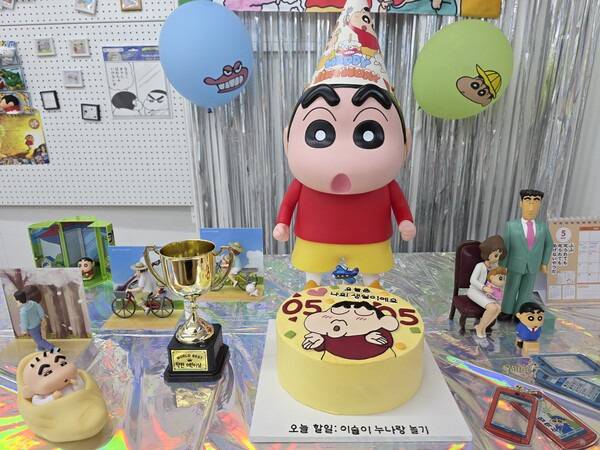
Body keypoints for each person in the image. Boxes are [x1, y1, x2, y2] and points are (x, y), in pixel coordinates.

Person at [273, 0, 415, 290]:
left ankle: (372, 284)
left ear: (406, 143)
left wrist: (405, 221)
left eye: (369, 133)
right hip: (315, 237)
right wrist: (282, 223)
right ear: (287, 139)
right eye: (320, 132)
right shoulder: (303, 183)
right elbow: (289, 202)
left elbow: (399, 204)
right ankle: (312, 283)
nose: (343, 156)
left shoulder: (385, 185)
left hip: (370, 238)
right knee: (313, 264)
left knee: (372, 265)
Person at [499, 189, 553, 320]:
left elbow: (549, 244)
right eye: (528, 201)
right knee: (511, 288)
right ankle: (506, 311)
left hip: (533, 265)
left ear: (540, 205)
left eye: (536, 202)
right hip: (514, 264)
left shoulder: (543, 227)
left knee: (526, 291)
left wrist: (544, 262)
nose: (531, 207)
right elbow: (506, 246)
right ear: (521, 203)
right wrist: (502, 265)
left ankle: (521, 312)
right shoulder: (511, 226)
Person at [466, 235, 506, 338]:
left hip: (488, 293)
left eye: (499, 255)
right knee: (492, 308)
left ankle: (482, 327)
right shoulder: (480, 266)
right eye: (496, 255)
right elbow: (472, 280)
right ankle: (480, 327)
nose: (497, 258)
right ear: (488, 253)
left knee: (498, 308)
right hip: (475, 291)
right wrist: (483, 288)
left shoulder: (495, 267)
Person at [14, 286, 54, 351]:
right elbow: (40, 310)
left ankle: (52, 348)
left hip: (32, 328)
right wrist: (42, 317)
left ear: (19, 301)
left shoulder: (23, 311)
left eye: (16, 301)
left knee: (38, 340)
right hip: (38, 323)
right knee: (39, 337)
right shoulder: (33, 303)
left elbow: (24, 322)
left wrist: (24, 329)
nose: (16, 303)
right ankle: (40, 348)